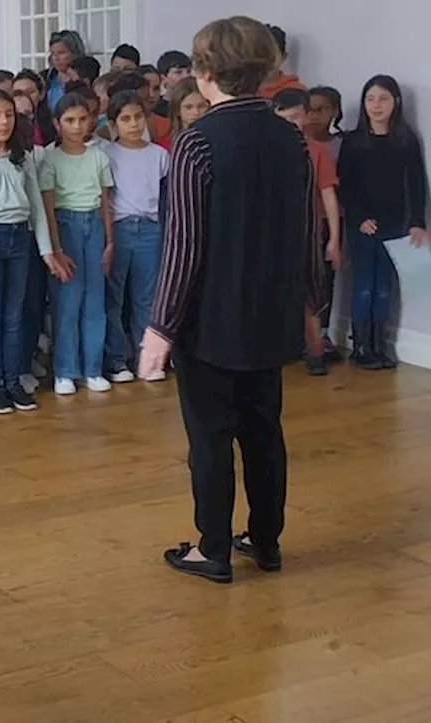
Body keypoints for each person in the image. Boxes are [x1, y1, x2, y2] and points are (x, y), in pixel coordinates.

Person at [140, 16, 326, 584]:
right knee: (264, 430)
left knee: (211, 436)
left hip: (212, 318)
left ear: (206, 72)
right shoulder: (290, 138)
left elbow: (184, 246)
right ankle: (266, 542)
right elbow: (308, 232)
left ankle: (213, 549)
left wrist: (160, 328)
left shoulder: (197, 141)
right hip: (271, 313)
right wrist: (312, 308)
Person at [0, 90, 66, 413]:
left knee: (16, 315)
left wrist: (47, 251)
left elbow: (36, 208)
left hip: (20, 240)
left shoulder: (24, 158)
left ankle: (14, 380)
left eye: (8, 115)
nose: (3, 122)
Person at [338, 74, 429, 369]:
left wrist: (417, 222)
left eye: (383, 98)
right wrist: (359, 217)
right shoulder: (353, 142)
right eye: (370, 98)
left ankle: (379, 345)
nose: (376, 105)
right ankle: (361, 346)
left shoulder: (406, 140)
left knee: (385, 287)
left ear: (396, 102)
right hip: (363, 225)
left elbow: (416, 183)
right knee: (364, 284)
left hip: (395, 225)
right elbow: (346, 186)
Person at [39, 93, 115, 396]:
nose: (77, 125)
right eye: (69, 120)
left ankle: (93, 368)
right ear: (57, 124)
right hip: (65, 225)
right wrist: (56, 248)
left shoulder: (98, 155)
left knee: (95, 299)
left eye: (82, 119)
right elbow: (47, 206)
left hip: (93, 226)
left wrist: (110, 242)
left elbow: (105, 202)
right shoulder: (50, 158)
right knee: (68, 302)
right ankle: (65, 370)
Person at [273, 88, 344, 376]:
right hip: (275, 234)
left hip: (310, 233)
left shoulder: (317, 152)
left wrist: (334, 240)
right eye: (284, 118)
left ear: (306, 117)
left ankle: (315, 351)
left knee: (312, 293)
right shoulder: (268, 151)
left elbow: (328, 195)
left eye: (296, 117)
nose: (291, 123)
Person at [102, 91, 168, 384]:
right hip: (120, 228)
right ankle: (117, 360)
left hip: (151, 229)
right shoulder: (106, 154)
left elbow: (166, 197)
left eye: (137, 117)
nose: (133, 124)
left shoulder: (159, 155)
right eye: (125, 119)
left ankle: (147, 358)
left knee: (146, 297)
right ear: (114, 123)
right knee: (115, 297)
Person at [258, 25, 307, 99]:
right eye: (261, 55)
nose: (267, 62)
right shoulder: (241, 91)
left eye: (273, 56)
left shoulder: (297, 92)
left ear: (283, 57)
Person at [162, 77, 208, 151]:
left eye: (201, 106)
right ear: (177, 110)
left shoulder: (216, 140)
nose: (196, 112)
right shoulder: (164, 146)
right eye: (188, 107)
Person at [45, 30, 86, 111]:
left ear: (75, 53)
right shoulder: (47, 79)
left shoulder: (86, 78)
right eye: (52, 53)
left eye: (61, 53)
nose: (55, 58)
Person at [306, 86, 344, 162]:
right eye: (308, 109)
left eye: (321, 109)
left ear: (335, 112)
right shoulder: (293, 145)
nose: (314, 116)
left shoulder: (343, 146)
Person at [154, 50, 193, 117]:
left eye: (189, 71)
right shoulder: (156, 109)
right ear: (163, 78)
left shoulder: (201, 102)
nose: (186, 76)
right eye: (178, 72)